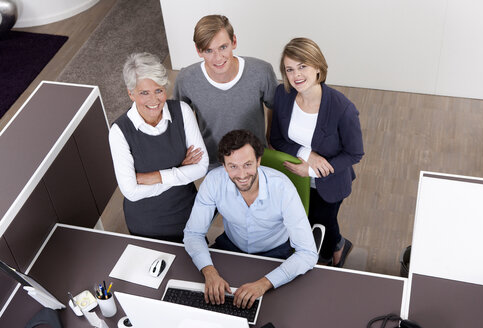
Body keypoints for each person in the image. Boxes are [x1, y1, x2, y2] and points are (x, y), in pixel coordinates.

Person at [183, 130, 318, 309]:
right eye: (233, 166)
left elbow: (307, 253)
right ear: (223, 166)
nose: (242, 175)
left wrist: (264, 283)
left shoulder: (283, 188)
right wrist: (209, 271)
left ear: (258, 161)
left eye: (247, 164)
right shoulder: (213, 181)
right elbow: (193, 234)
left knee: (277, 309)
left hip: (275, 252)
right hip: (231, 246)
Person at [270, 38, 364, 267]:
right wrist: (306, 153)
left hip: (328, 181)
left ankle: (336, 248)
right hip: (293, 175)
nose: (296, 75)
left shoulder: (343, 109)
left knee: (322, 221)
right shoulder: (283, 95)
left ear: (318, 67)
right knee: (300, 219)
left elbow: (354, 154)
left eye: (303, 66)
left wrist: (311, 169)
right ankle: (338, 243)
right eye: (290, 69)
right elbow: (276, 139)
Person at [109, 52, 208, 242]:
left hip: (188, 214)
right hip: (147, 224)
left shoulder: (182, 111)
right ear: (131, 93)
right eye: (144, 93)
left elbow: (201, 167)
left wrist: (155, 177)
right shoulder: (119, 132)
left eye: (158, 90)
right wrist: (180, 171)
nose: (154, 100)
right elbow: (131, 192)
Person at [173, 15, 278, 169]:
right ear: (198, 50)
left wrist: (269, 138)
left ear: (233, 41)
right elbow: (179, 118)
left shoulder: (262, 71)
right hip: (214, 161)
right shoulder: (186, 79)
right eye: (209, 50)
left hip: (255, 158)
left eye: (223, 47)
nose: (218, 58)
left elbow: (275, 106)